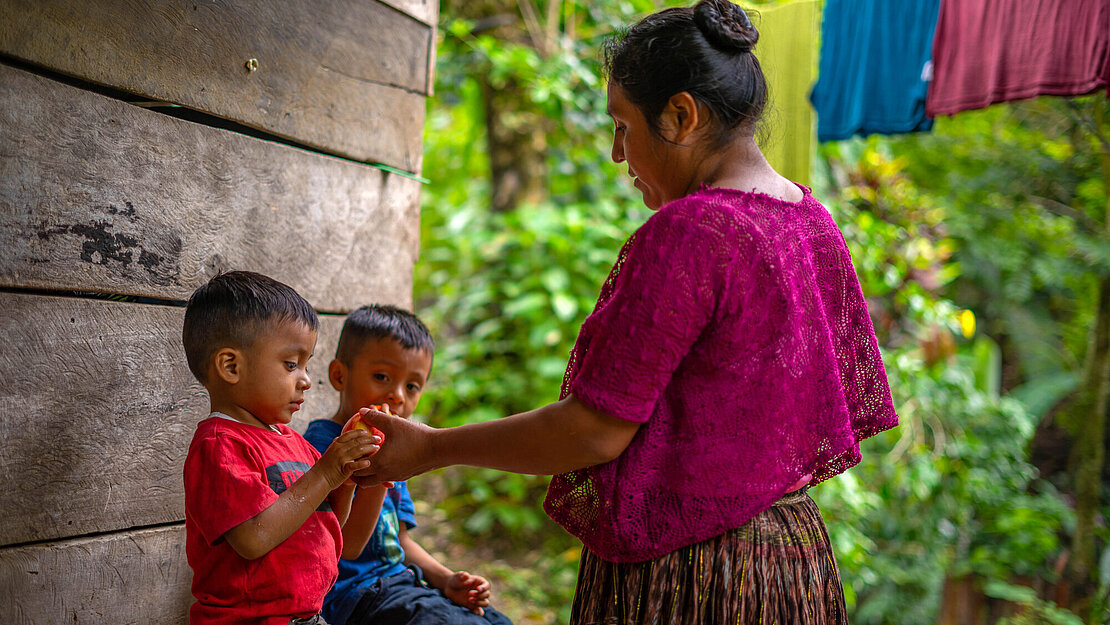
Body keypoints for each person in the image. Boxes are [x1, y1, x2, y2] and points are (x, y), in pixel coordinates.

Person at [355, 0, 898, 622]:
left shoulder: (694, 231)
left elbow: (593, 429)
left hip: (694, 572)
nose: (618, 153)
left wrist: (431, 448)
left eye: (623, 126)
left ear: (681, 115)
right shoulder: (811, 221)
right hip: (791, 559)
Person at [181, 270, 381, 625]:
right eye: (291, 364)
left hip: (305, 615)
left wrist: (346, 481)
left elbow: (330, 526)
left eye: (306, 365)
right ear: (231, 366)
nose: (305, 380)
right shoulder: (220, 446)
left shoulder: (295, 444)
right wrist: (328, 471)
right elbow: (253, 538)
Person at [303, 304, 514, 625]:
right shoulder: (323, 446)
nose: (397, 396)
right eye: (381, 377)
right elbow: (345, 547)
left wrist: (446, 580)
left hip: (400, 583)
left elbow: (398, 540)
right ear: (339, 375)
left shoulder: (396, 448)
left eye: (412, 386)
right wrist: (382, 471)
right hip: (353, 597)